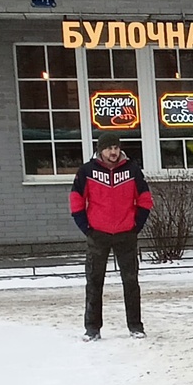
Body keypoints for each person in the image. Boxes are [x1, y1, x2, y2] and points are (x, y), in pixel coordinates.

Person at [69, 136, 153, 340]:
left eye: (116, 147)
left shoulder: (132, 170)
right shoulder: (87, 171)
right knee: (94, 282)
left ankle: (135, 326)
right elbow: (76, 200)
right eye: (108, 148)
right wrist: (86, 228)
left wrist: (136, 226)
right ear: (100, 150)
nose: (113, 152)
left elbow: (145, 199)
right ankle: (92, 329)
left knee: (131, 282)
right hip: (98, 234)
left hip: (126, 234)